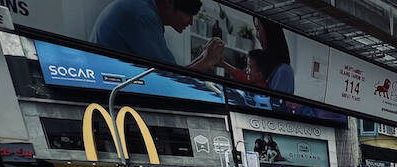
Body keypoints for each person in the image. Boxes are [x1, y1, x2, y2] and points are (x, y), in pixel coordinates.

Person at [90, 0, 223, 73]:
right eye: (189, 14)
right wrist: (206, 62)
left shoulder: (140, 7)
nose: (191, 22)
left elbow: (173, 71)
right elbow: (172, 77)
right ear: (169, 2)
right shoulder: (143, 15)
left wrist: (203, 58)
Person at [220, 17, 293, 93]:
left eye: (258, 29)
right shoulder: (268, 67)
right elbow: (241, 76)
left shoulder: (283, 71)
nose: (257, 36)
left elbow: (276, 103)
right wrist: (221, 63)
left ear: (270, 30)